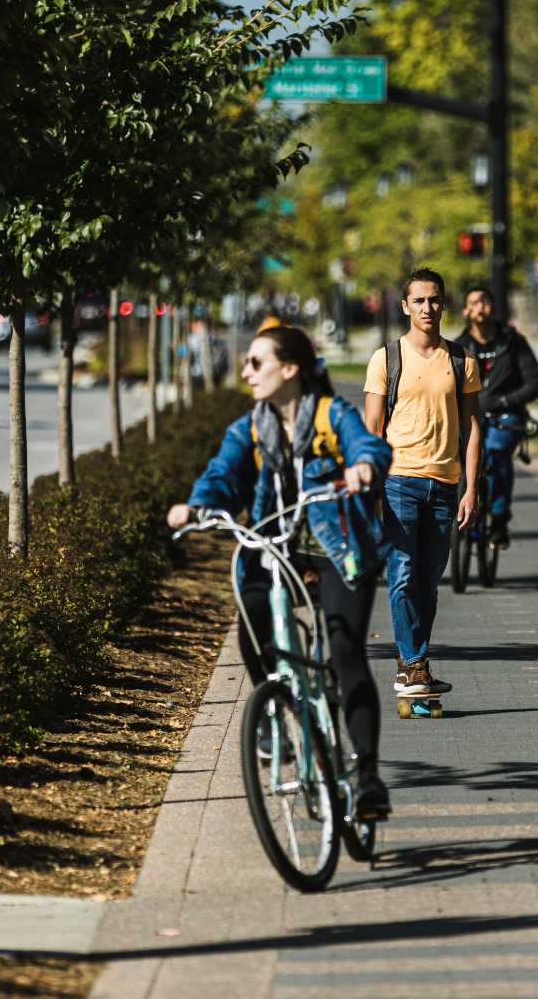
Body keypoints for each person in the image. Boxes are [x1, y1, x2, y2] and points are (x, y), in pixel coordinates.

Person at [166, 326, 394, 819]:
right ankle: (274, 711)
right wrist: (198, 504)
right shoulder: (249, 427)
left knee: (345, 649)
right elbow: (223, 473)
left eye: (256, 362)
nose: (246, 371)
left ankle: (369, 777)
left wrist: (363, 469)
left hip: (337, 549)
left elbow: (369, 448)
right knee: (250, 624)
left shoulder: (334, 415)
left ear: (289, 369)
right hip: (274, 547)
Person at [364, 269, 481, 697]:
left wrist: (471, 487)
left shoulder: (460, 359)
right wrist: (370, 486)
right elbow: (372, 427)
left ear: (443, 304)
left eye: (435, 300)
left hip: (445, 485)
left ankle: (410, 660)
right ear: (405, 307)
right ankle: (415, 664)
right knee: (403, 574)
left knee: (429, 582)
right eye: (419, 301)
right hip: (399, 482)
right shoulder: (386, 359)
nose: (428, 308)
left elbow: (473, 426)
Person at [455, 286, 538, 548]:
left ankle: (498, 518)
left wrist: (505, 400)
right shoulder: (458, 348)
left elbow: (536, 383)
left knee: (496, 451)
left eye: (485, 301)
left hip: (504, 414)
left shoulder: (512, 343)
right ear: (465, 310)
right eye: (473, 302)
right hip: (469, 415)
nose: (479, 306)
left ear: (493, 308)